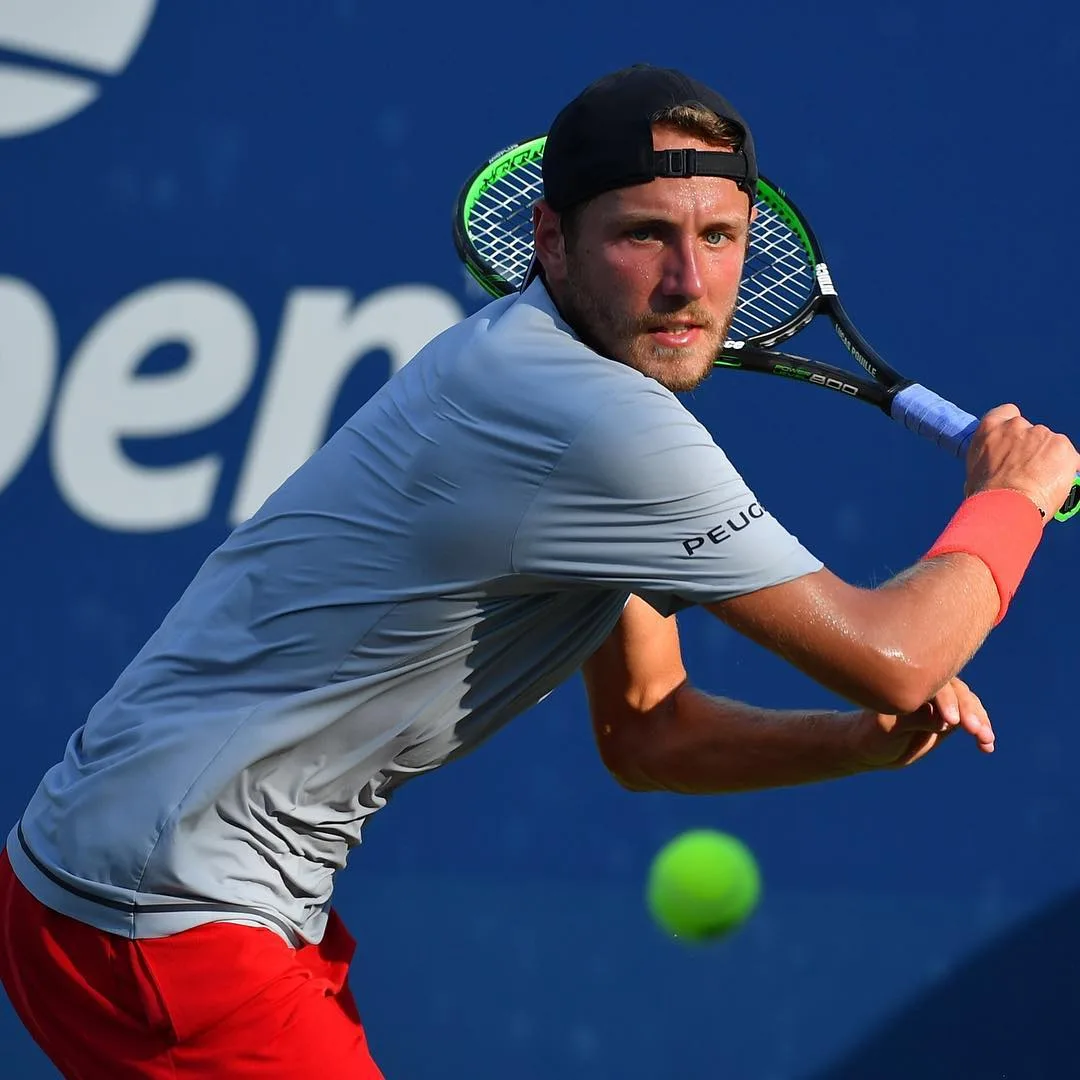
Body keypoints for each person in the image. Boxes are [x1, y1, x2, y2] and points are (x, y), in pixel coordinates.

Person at [2, 63, 1076, 1080]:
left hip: (110, 887)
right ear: (552, 242)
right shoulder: (588, 419)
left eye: (720, 237)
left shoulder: (561, 387)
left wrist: (852, 745)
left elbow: (649, 727)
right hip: (161, 915)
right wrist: (1012, 496)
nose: (689, 281)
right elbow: (896, 656)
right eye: (644, 236)